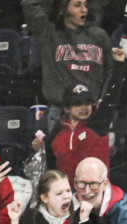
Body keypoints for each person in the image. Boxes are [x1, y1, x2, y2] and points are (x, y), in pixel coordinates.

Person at [22, 0, 114, 129]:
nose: (84, 10)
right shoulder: (49, 34)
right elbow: (29, 4)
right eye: (77, 5)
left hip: (93, 113)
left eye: (86, 5)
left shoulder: (99, 35)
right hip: (60, 114)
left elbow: (111, 72)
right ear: (63, 9)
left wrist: (103, 104)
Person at [47, 48, 127, 183]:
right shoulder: (56, 134)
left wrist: (119, 65)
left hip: (96, 195)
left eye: (87, 103)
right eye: (78, 104)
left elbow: (112, 97)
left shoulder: (98, 124)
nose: (84, 108)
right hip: (68, 198)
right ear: (66, 108)